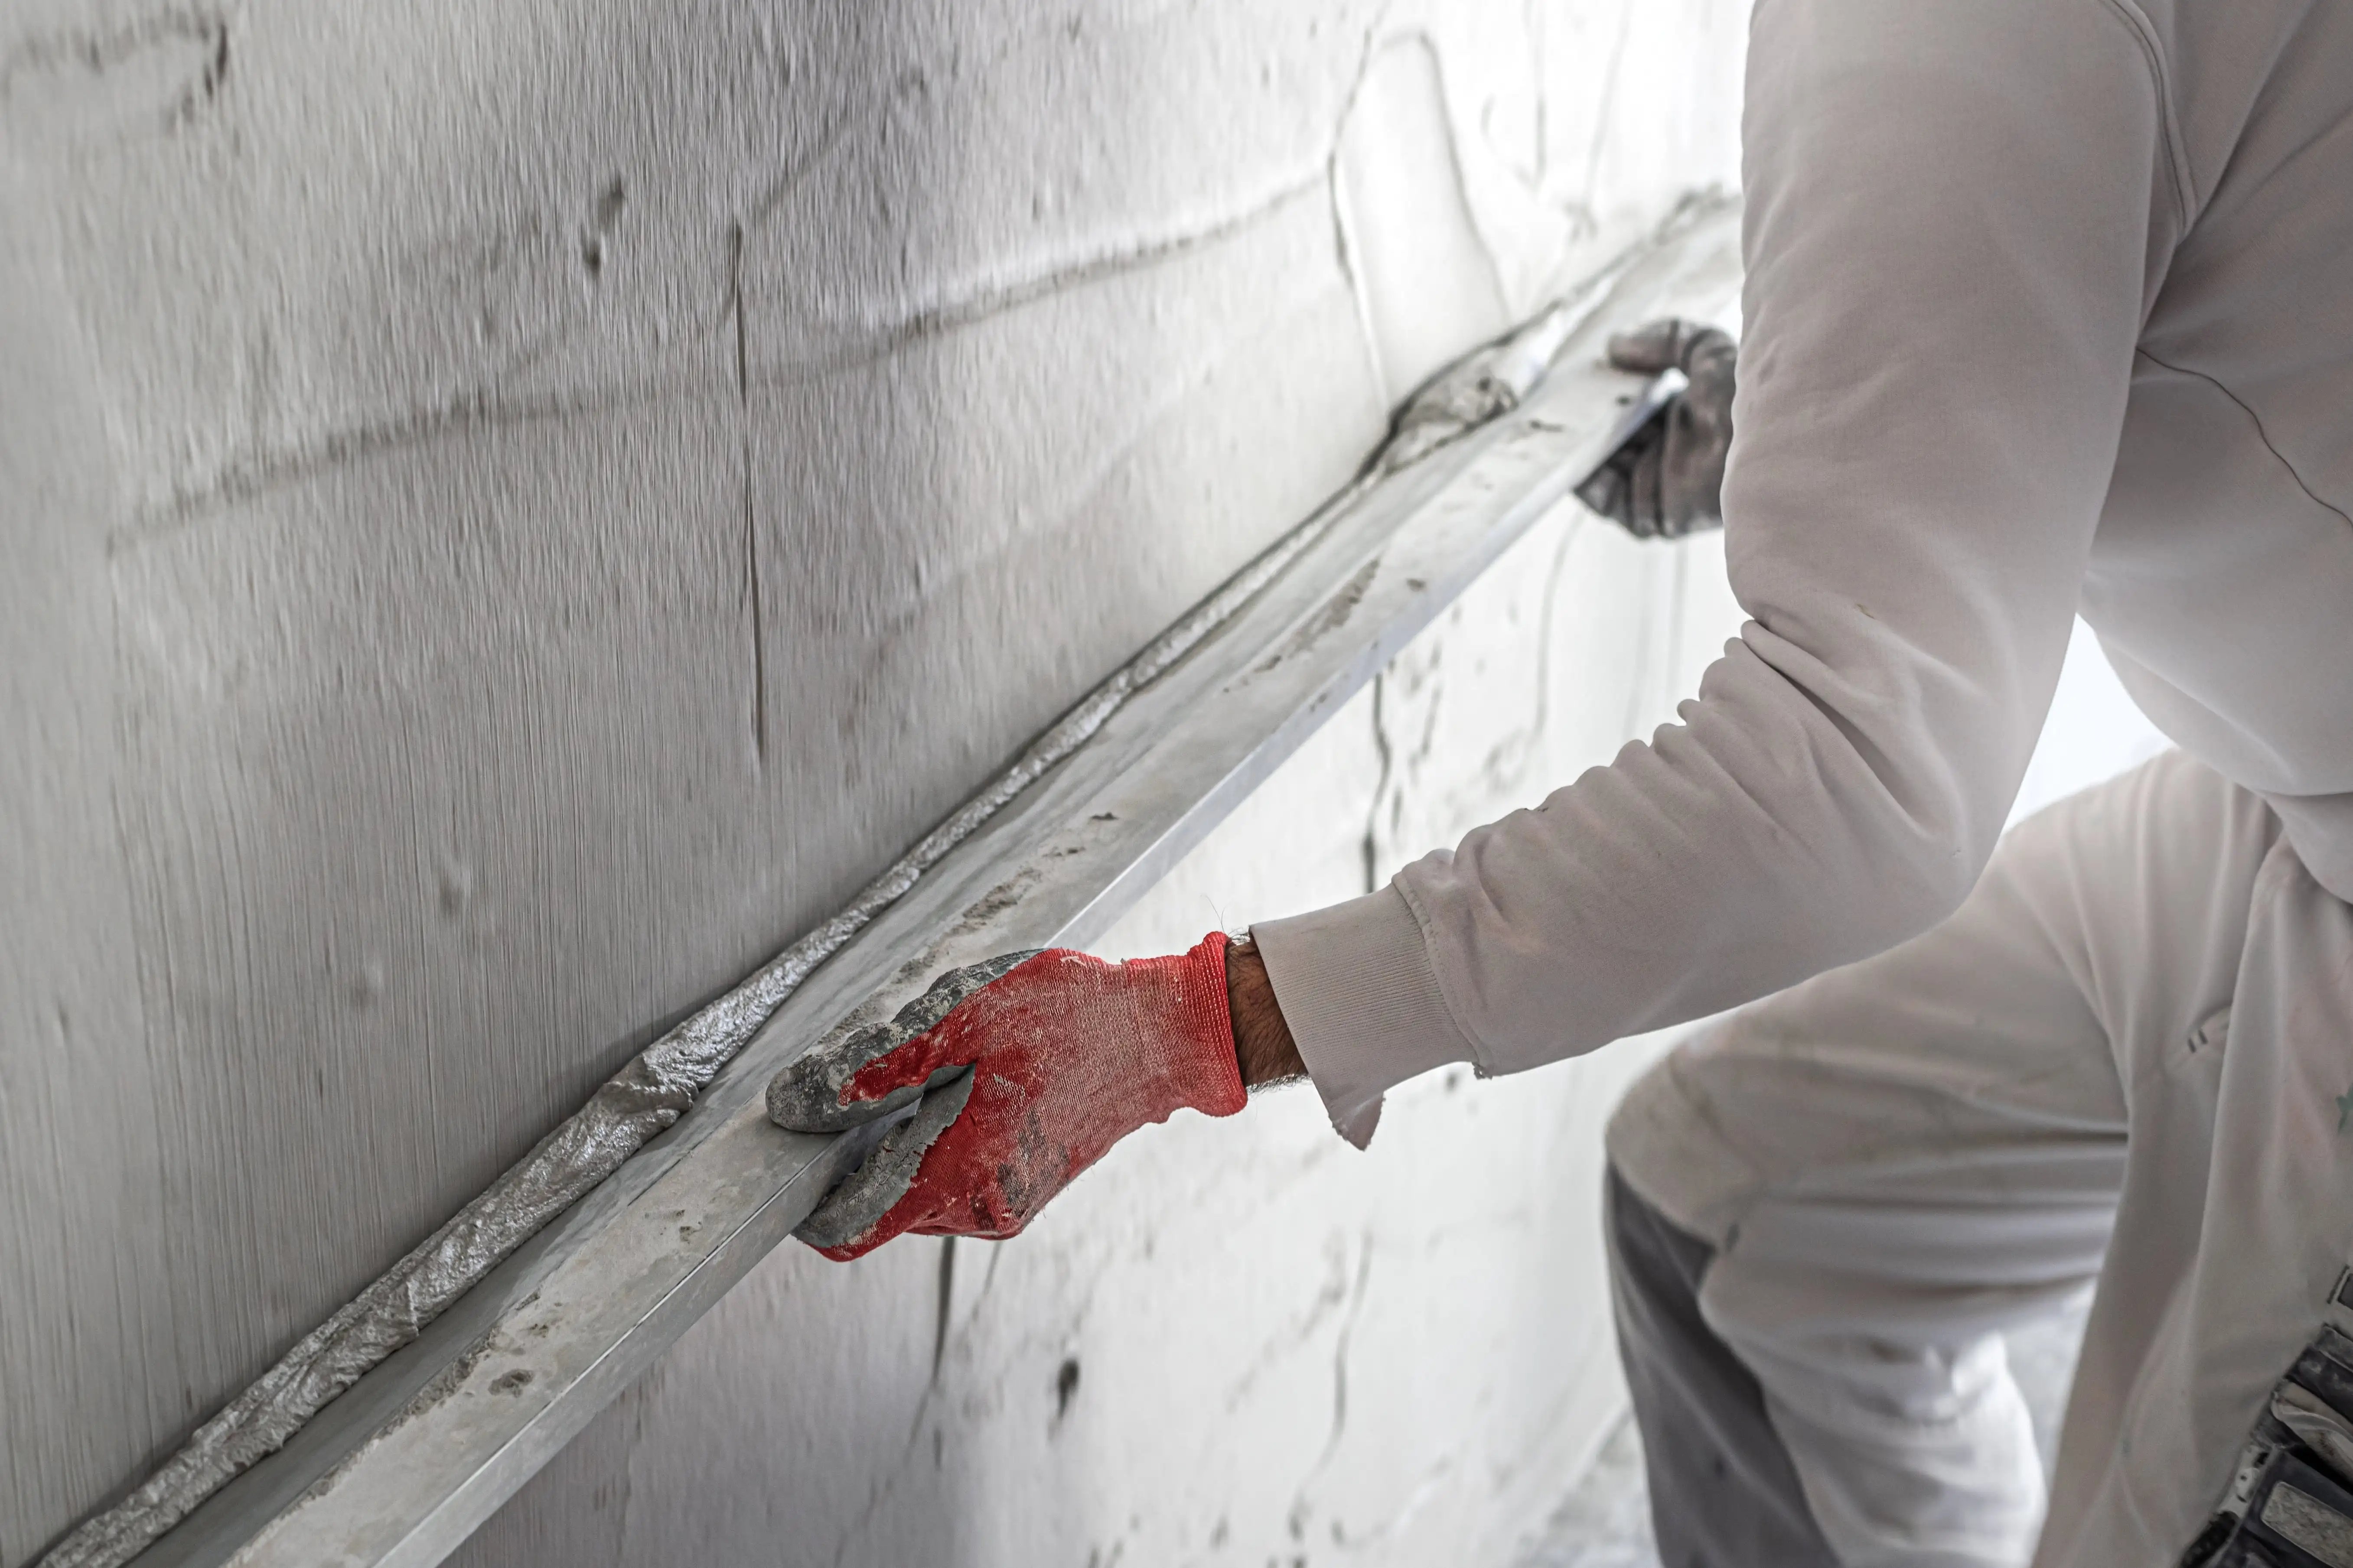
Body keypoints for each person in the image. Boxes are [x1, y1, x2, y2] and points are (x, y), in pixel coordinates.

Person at [769, 1, 2353, 1561]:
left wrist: (1189, 1025)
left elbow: (1857, 772)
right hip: (2283, 787)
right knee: (1729, 1206)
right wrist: (1855, 417)